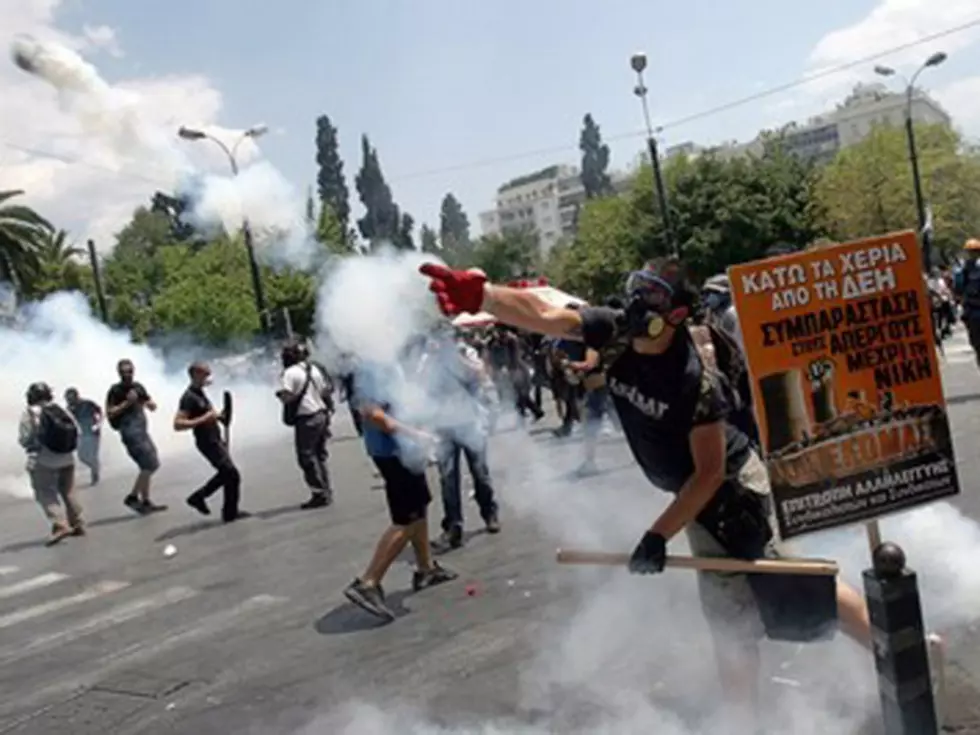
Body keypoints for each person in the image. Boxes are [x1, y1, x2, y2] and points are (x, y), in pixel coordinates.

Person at [419, 259, 872, 727]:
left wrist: (657, 536)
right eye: (637, 288)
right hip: (693, 498)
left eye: (653, 296)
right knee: (727, 617)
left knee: (800, 583)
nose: (638, 302)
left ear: (675, 314)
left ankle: (899, 646)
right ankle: (743, 721)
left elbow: (710, 473)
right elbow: (544, 313)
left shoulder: (695, 379)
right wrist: (485, 296)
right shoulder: (615, 329)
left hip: (734, 491)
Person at [343, 353, 458, 621]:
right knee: (406, 518)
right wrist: (415, 434)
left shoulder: (386, 361)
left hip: (403, 451)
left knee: (420, 506)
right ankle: (368, 582)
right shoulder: (372, 366)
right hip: (393, 453)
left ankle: (425, 568)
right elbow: (374, 415)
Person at [425, 331, 501, 551]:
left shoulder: (466, 353)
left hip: (470, 423)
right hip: (444, 426)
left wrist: (455, 358)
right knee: (448, 479)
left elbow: (479, 374)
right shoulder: (429, 360)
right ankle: (453, 526)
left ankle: (489, 513)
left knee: (480, 473)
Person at [174, 362, 249, 523]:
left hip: (215, 438)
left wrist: (220, 417)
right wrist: (204, 418)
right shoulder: (189, 397)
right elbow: (178, 424)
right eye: (205, 374)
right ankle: (199, 497)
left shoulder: (199, 393)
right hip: (207, 442)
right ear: (195, 375)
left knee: (230, 475)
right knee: (231, 473)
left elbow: (208, 414)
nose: (208, 378)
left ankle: (229, 512)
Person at [18, 382, 84, 545]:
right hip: (67, 457)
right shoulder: (60, 409)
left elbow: (25, 438)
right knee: (68, 491)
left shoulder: (30, 413)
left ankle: (60, 525)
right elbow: (78, 431)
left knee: (44, 492)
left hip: (44, 459)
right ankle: (77, 522)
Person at [277, 341, 333, 510]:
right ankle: (326, 490)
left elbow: (287, 396)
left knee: (306, 457)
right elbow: (325, 391)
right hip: (321, 414)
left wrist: (282, 397)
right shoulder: (314, 368)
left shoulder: (289, 373)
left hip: (307, 418)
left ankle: (318, 493)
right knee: (320, 456)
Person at [106, 359, 166, 514]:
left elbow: (148, 401)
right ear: (119, 373)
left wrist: (150, 404)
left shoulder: (138, 387)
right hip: (130, 433)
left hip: (142, 431)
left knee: (147, 465)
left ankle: (146, 501)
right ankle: (133, 496)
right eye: (124, 372)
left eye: (130, 371)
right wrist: (127, 403)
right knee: (150, 464)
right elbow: (110, 412)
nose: (127, 375)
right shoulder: (115, 391)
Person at [65, 387, 103, 485]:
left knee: (93, 454)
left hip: (94, 432)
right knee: (82, 456)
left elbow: (100, 412)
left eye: (71, 399)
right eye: (68, 399)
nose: (69, 401)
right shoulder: (69, 409)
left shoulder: (88, 403)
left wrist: (98, 424)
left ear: (77, 397)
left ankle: (95, 476)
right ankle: (95, 466)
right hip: (81, 434)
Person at [953, 238, 980, 368]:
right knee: (977, 344)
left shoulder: (964, 269)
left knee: (977, 344)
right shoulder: (964, 270)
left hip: (973, 311)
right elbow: (958, 289)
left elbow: (958, 289)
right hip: (972, 311)